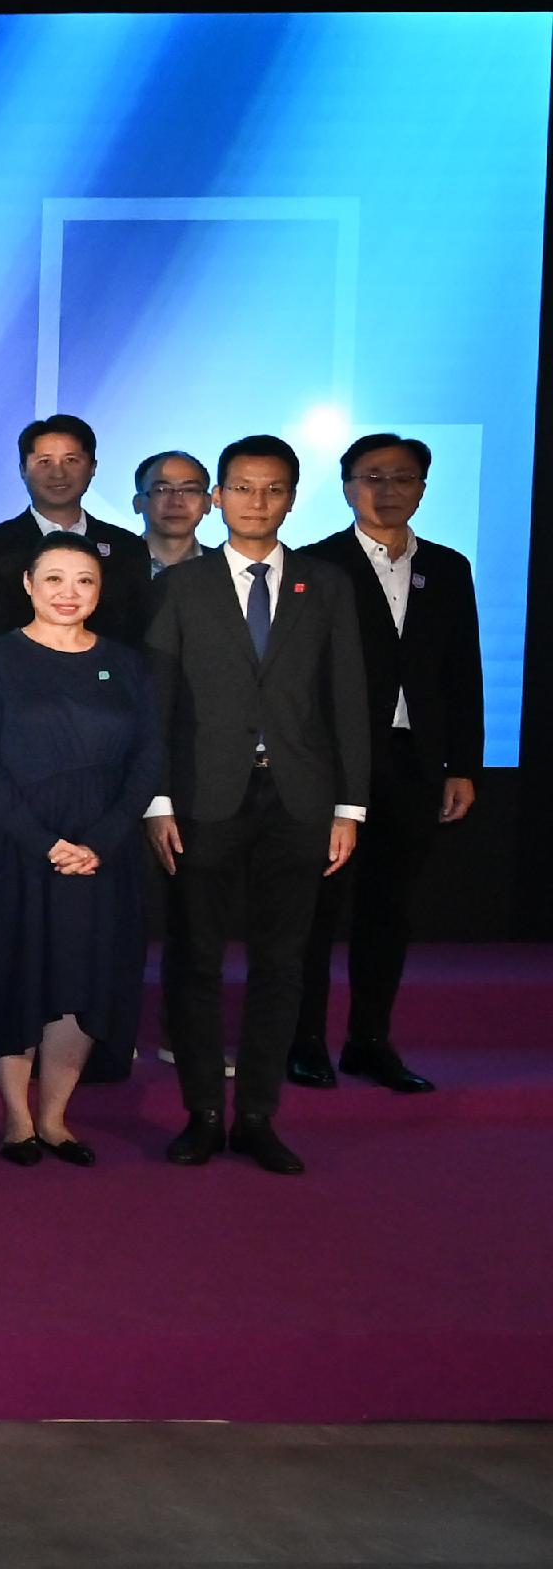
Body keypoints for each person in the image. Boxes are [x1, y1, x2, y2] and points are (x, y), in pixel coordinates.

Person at [145, 435, 369, 1175]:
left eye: (273, 489)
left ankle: (261, 1115)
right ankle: (204, 1111)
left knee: (284, 963)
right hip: (206, 796)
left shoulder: (326, 583)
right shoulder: (184, 584)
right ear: (218, 497)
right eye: (242, 488)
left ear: (293, 497)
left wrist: (350, 806)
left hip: (300, 800)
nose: (257, 502)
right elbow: (158, 701)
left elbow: (349, 700)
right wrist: (156, 797)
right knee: (197, 959)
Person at [0, 533, 160, 1164]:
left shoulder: (126, 664)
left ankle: (56, 1118)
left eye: (84, 580)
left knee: (80, 978)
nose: (68, 593)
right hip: (13, 843)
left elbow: (148, 760)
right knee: (16, 974)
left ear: (101, 591)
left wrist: (99, 841)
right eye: (53, 579)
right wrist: (44, 841)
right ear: (27, 585)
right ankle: (16, 1119)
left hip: (99, 850)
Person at [298, 432, 482, 1094]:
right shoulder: (315, 564)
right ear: (347, 486)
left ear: (423, 488)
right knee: (318, 906)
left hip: (413, 759)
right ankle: (306, 1039)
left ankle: (369, 1040)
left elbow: (463, 671)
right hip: (331, 761)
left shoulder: (449, 567)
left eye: (402, 477)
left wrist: (463, 763)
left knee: (389, 906)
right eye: (371, 476)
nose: (386, 489)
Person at [0, 415, 150, 645]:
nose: (58, 473)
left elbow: (139, 633)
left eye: (71, 460)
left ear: (93, 467)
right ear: (22, 470)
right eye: (45, 462)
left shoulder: (127, 547)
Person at [134, 448, 212, 576]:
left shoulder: (227, 569)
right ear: (138, 503)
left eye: (189, 490)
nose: (176, 502)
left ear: (207, 503)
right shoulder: (112, 563)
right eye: (162, 490)